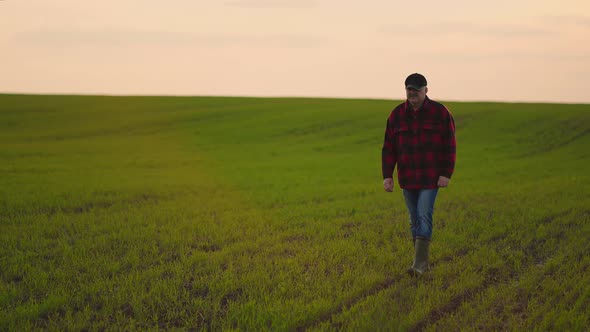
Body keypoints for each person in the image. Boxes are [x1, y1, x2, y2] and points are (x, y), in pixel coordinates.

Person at [381, 73, 456, 276]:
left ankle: (419, 266)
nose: (412, 94)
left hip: (430, 178)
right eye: (409, 90)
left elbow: (450, 145)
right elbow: (389, 148)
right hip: (407, 178)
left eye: (417, 90)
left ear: (426, 90)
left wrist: (446, 173)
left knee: (424, 215)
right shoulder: (396, 115)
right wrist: (387, 175)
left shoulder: (440, 113)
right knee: (414, 219)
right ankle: (421, 262)